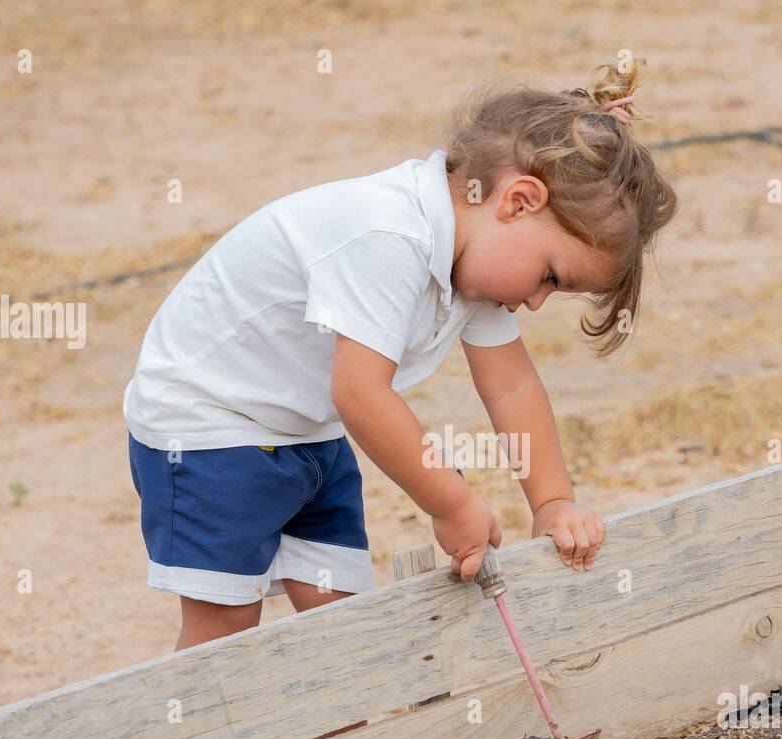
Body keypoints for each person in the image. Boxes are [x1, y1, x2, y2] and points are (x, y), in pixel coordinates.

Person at [123, 57, 678, 650]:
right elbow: (361, 393)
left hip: (302, 429)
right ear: (517, 201)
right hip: (207, 424)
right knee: (225, 629)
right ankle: (196, 735)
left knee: (342, 618)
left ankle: (347, 736)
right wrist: (452, 502)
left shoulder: (476, 262)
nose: (537, 302)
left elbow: (512, 386)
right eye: (548, 275)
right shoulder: (389, 237)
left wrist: (552, 501)